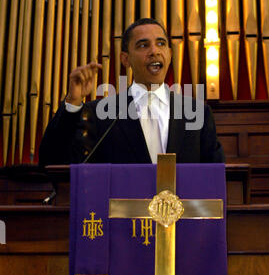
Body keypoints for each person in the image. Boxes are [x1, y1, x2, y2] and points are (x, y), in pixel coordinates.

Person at [39, 18, 225, 166]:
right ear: (125, 59)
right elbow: (52, 161)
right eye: (143, 45)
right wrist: (72, 102)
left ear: (169, 53)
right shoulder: (100, 114)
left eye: (160, 44)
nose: (154, 51)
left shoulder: (197, 112)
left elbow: (216, 176)